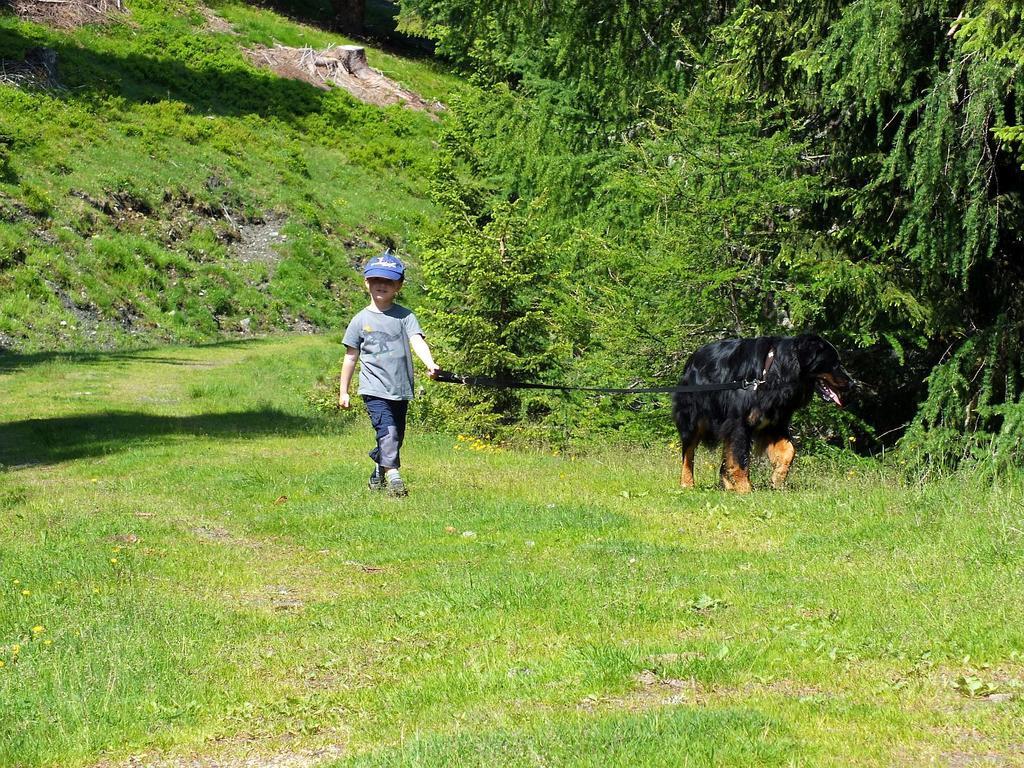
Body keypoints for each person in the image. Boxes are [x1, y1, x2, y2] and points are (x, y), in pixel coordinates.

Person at [339, 251, 438, 497]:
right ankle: (394, 477)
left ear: (399, 286)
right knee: (388, 431)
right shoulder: (359, 320)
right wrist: (344, 391)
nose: (381, 285)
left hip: (401, 388)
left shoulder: (405, 316)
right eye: (376, 280)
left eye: (389, 281)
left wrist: (430, 363)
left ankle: (378, 466)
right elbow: (351, 356)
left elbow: (417, 341)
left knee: (396, 435)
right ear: (367, 283)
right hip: (373, 389)